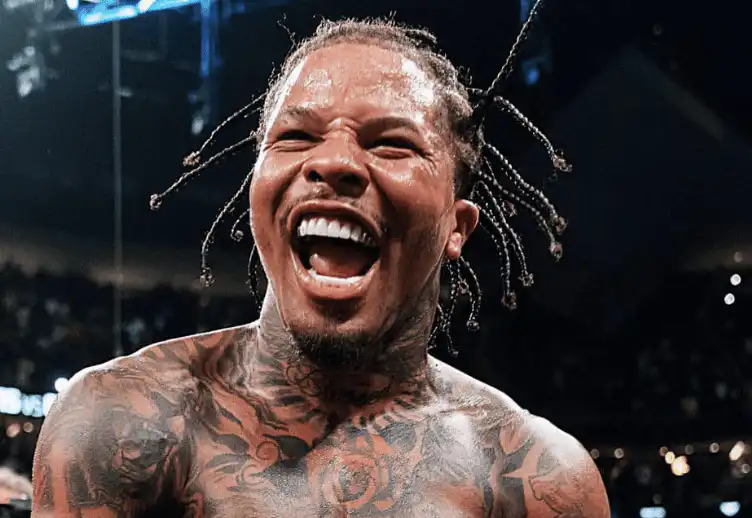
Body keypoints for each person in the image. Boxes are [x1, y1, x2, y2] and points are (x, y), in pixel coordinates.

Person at [32, 8, 610, 518]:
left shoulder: (535, 478)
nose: (333, 162)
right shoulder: (122, 420)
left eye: (391, 143)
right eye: (296, 136)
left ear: (456, 227)